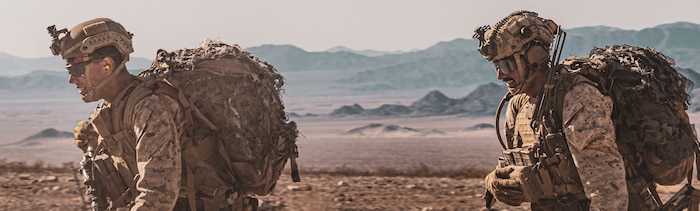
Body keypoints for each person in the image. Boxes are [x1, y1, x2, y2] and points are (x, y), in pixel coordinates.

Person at [48, 18, 255, 210]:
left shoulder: (150, 109)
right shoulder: (113, 109)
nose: (72, 80)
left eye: (75, 69)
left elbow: (158, 196)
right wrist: (94, 139)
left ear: (107, 66)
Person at [473, 11, 628, 210]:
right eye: (496, 65)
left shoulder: (578, 98)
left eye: (507, 64)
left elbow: (606, 185)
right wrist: (495, 182)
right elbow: (522, 164)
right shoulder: (518, 105)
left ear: (534, 58)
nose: (500, 75)